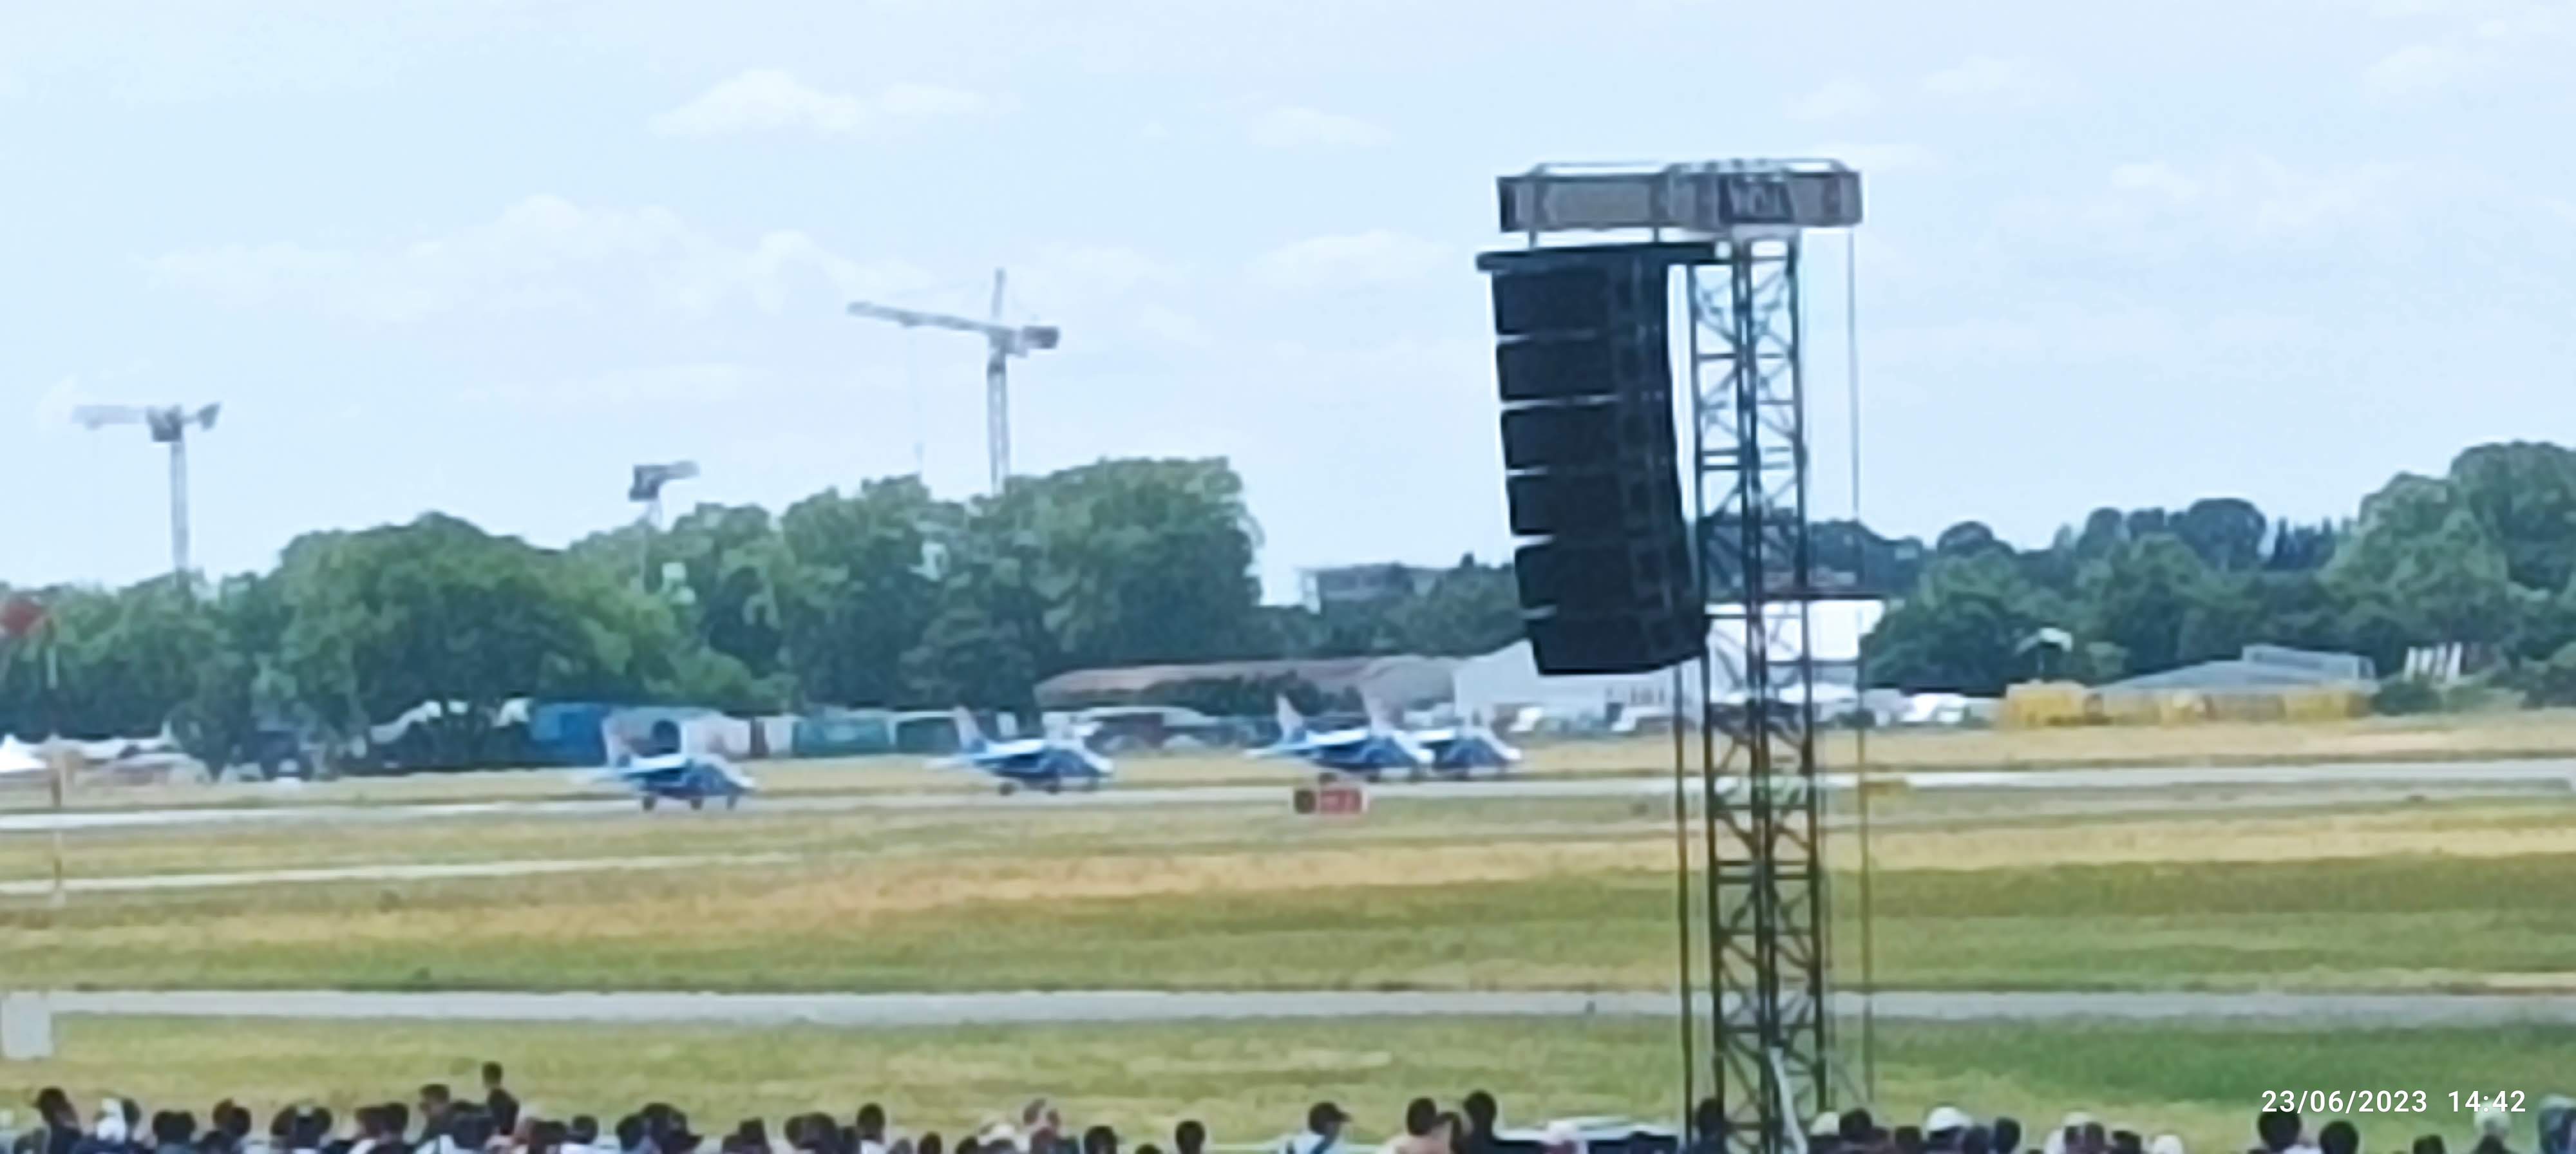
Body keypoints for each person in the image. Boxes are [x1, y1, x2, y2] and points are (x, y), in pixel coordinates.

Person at [1283, 1104, 1349, 1154]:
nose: (1340, 1127)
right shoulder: (1330, 1146)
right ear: (1330, 1127)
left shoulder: (1290, 1140)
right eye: (1337, 1124)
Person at [480, 1068, 517, 1142]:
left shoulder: (493, 1099)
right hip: (508, 1139)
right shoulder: (511, 1100)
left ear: (485, 1080)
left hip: (497, 1140)